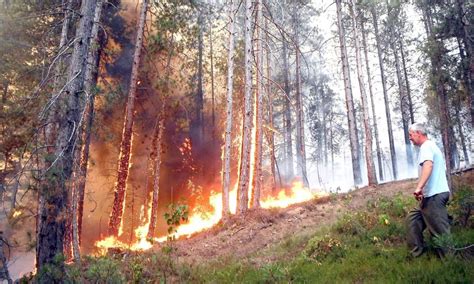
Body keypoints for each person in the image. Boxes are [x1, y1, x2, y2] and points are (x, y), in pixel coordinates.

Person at [406, 122, 451, 258]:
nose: (410, 138)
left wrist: (419, 187)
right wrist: (423, 192)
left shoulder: (426, 146)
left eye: (411, 135)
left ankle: (450, 261)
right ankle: (418, 254)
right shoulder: (429, 147)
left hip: (435, 196)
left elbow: (428, 166)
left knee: (440, 232)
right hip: (429, 196)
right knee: (413, 220)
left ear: (419, 133)